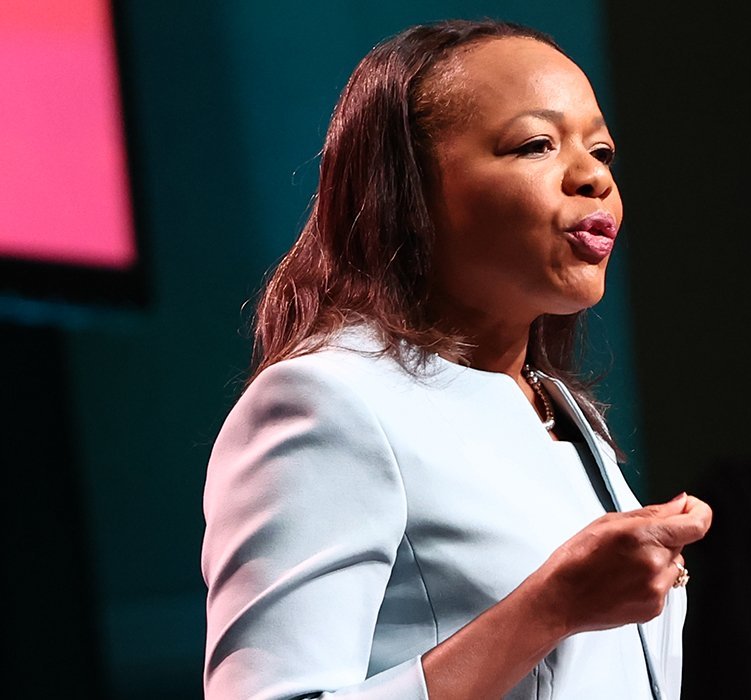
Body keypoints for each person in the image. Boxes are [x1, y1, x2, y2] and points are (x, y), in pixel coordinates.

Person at [200, 17, 713, 700]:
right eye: (536, 144)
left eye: (602, 151)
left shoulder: (561, 413)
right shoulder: (327, 402)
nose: (592, 176)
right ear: (406, 188)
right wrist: (549, 607)